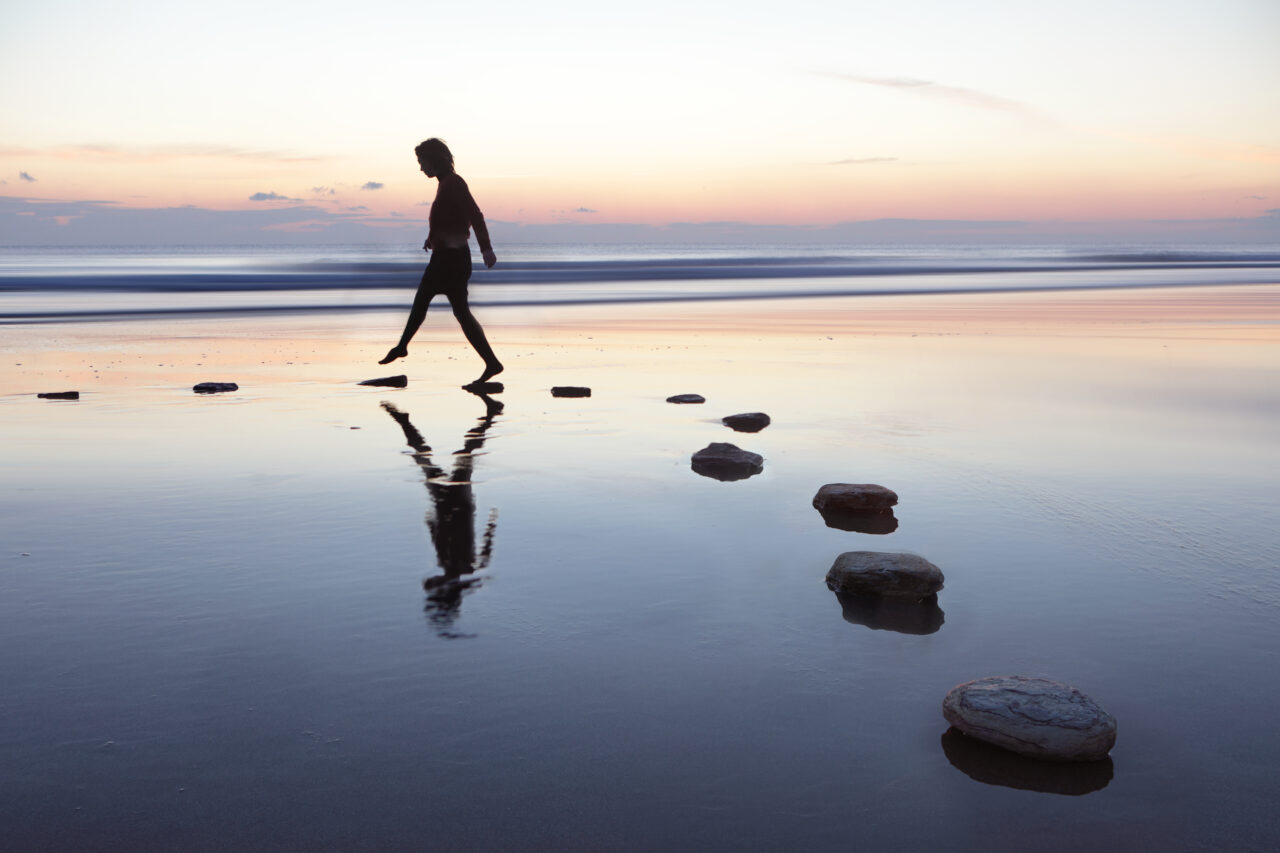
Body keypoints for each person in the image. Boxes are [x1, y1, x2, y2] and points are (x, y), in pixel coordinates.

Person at [380, 138, 504, 385]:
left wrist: (487, 249)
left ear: (433, 160)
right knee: (460, 313)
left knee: (422, 301)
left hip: (451, 259)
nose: (420, 168)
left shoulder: (453, 183)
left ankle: (402, 346)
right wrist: (432, 237)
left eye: (421, 161)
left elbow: (475, 215)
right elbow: (453, 218)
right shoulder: (446, 184)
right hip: (450, 256)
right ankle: (492, 362)